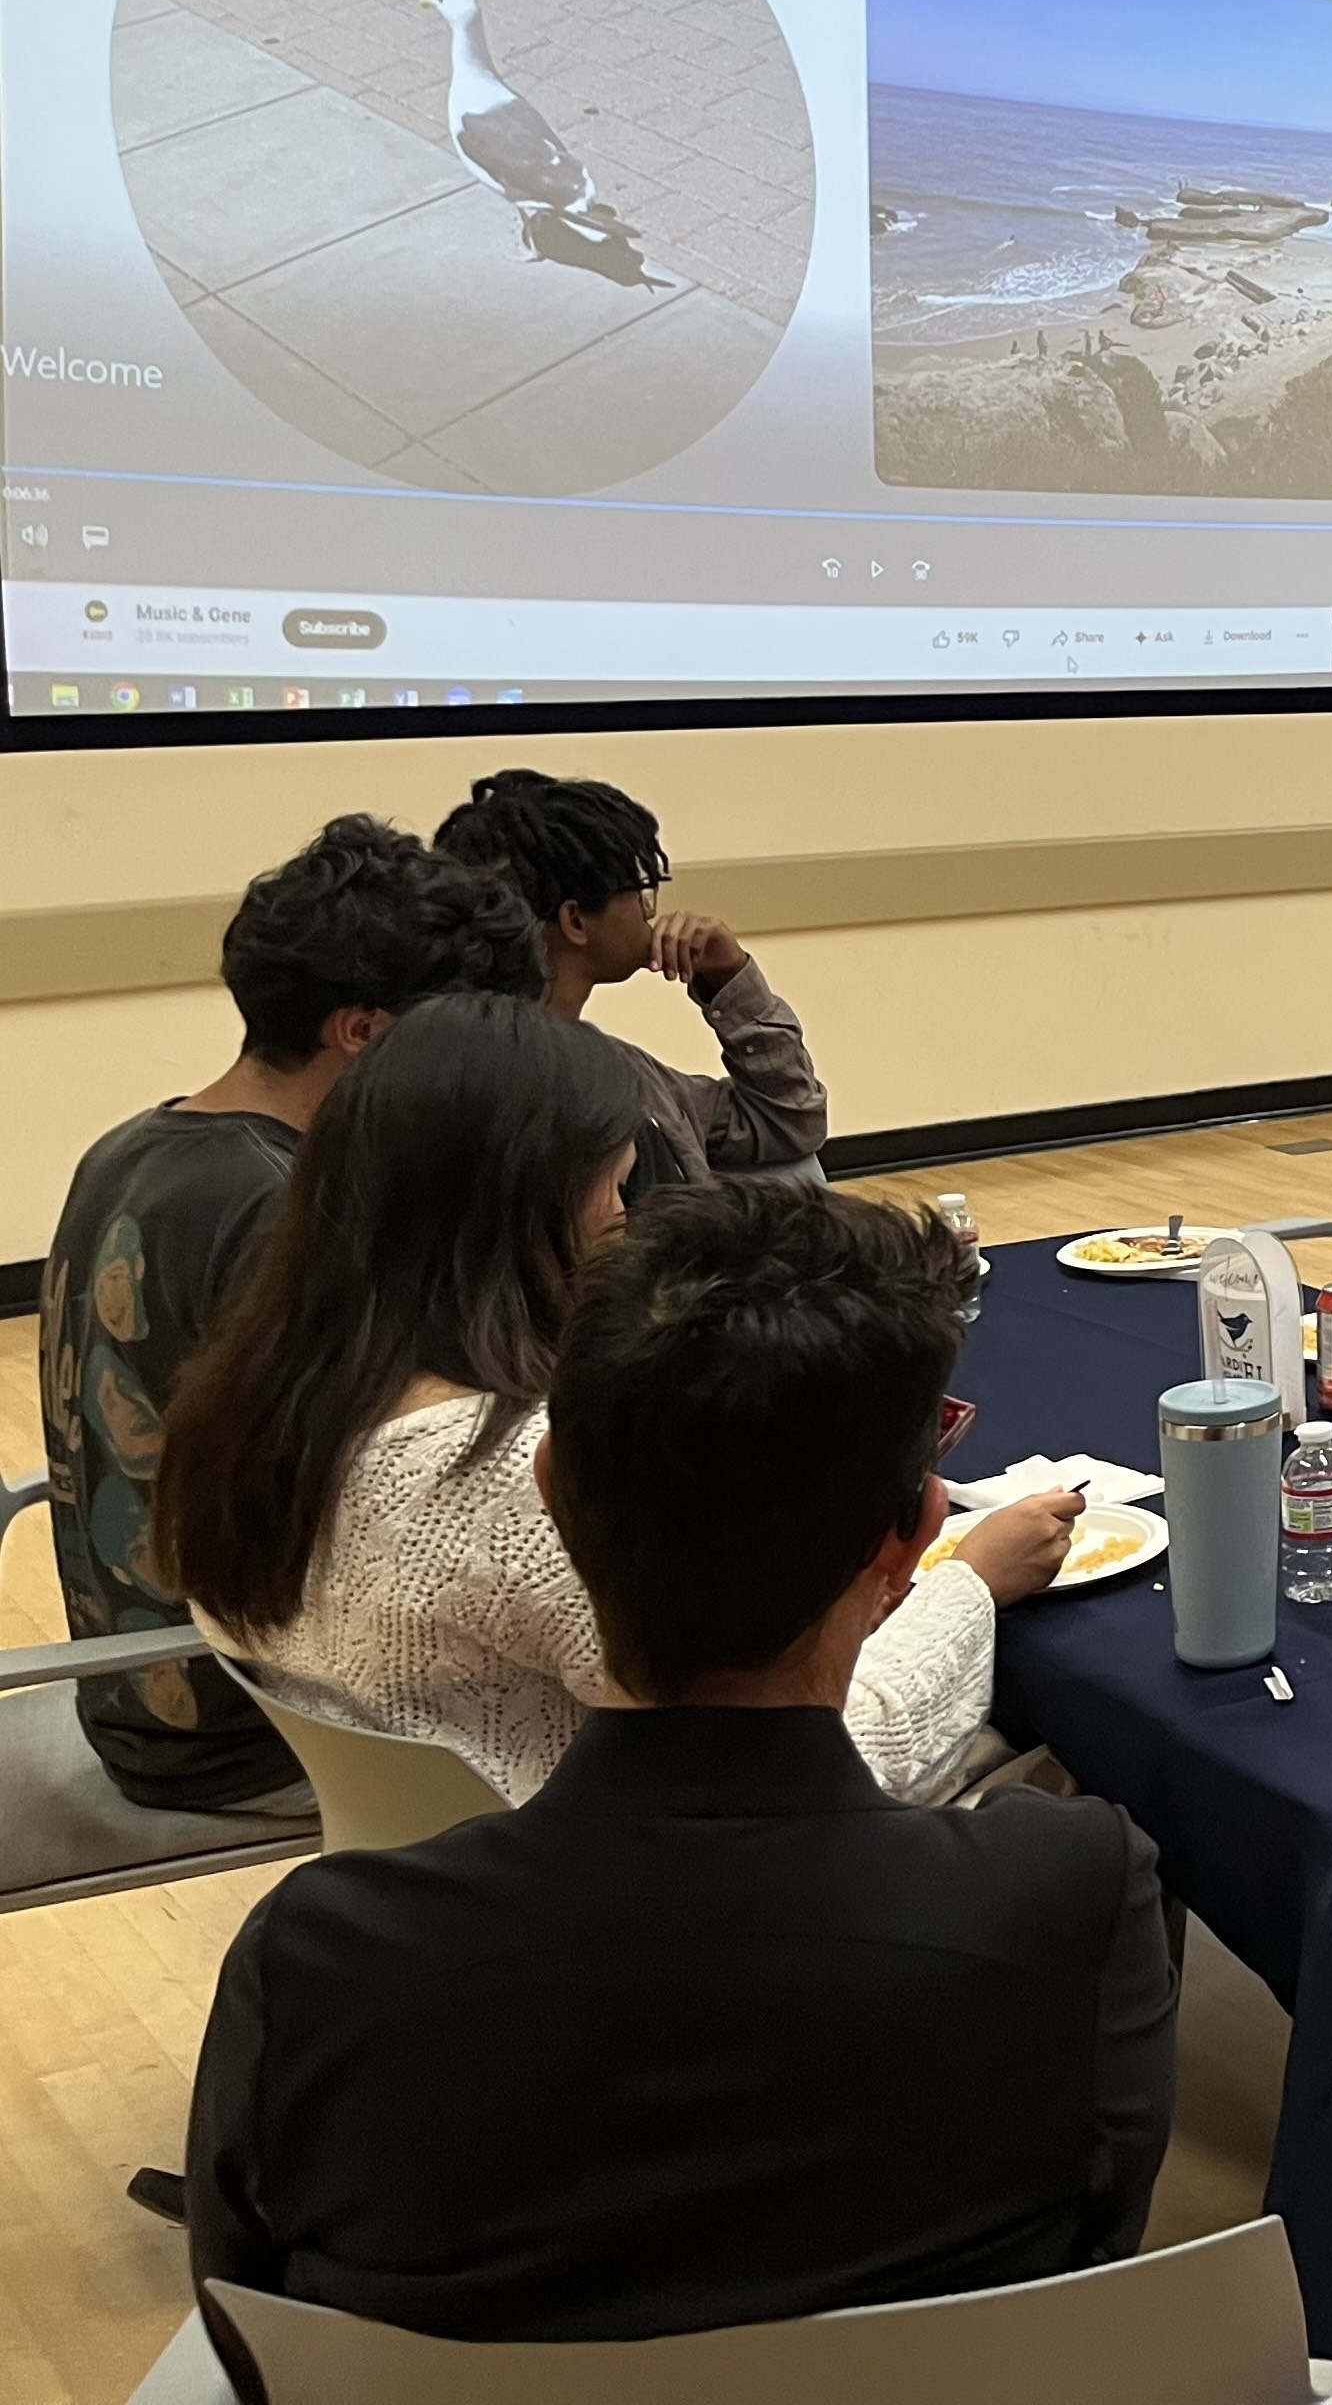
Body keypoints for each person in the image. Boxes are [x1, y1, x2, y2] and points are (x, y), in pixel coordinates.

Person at [183, 1179, 1177, 2344]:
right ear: (914, 1532)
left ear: (554, 1491)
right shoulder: (1069, 1896)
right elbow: (1097, 2248)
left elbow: (246, 2318)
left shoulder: (316, 1957)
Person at [150, 994, 1072, 1806]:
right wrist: (971, 1587)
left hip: (414, 1886)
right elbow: (796, 1775)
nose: (626, 1218)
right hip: (625, 1907)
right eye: (614, 1196)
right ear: (528, 1209)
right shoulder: (514, 1475)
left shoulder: (254, 1399)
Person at [37, 817, 543, 1813]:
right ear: (362, 1033)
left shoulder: (133, 1144)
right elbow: (407, 1510)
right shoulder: (282, 1211)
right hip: (259, 1725)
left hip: (150, 1688)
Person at [434, 768, 828, 1188]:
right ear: (576, 921)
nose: (649, 911)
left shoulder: (625, 1070)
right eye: (640, 890)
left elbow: (789, 1121)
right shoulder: (514, 1096)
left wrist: (729, 983)